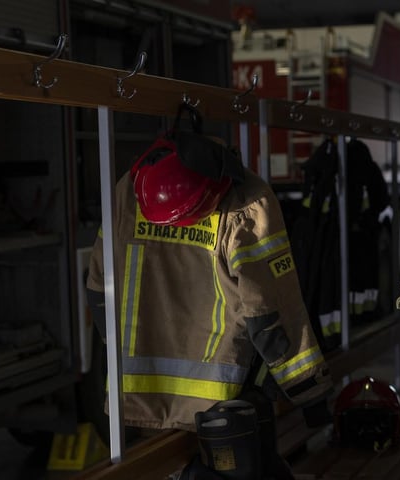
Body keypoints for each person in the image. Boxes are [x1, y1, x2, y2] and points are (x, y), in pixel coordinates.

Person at [85, 107, 332, 478]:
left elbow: (98, 291)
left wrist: (119, 354)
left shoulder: (125, 192)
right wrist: (309, 394)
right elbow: (274, 313)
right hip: (216, 412)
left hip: (133, 406)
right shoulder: (249, 201)